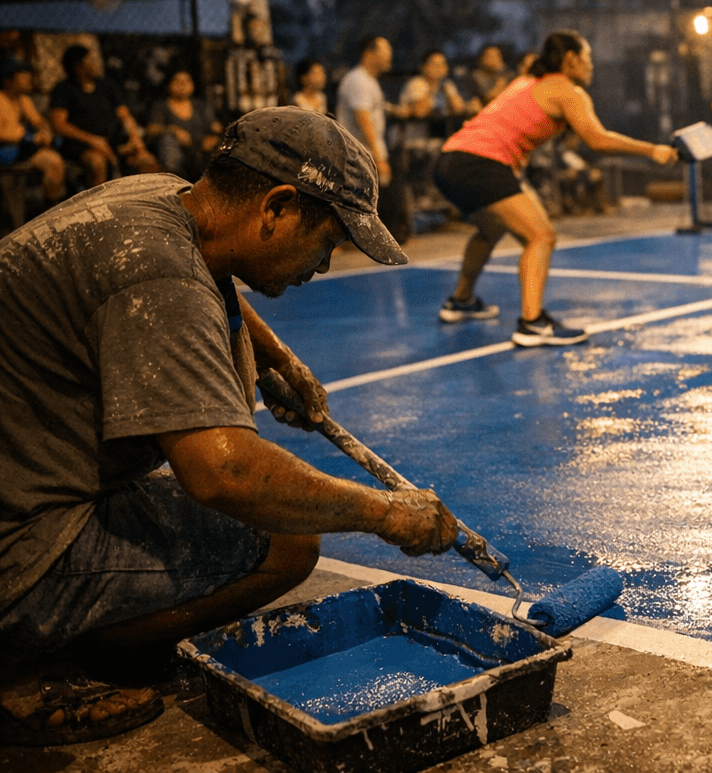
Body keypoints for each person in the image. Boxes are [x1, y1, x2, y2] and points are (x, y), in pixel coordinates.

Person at [0, 108, 456, 746]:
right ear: (276, 207)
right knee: (287, 544)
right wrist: (387, 512)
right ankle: (31, 658)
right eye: (327, 241)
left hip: (21, 475)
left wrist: (274, 357)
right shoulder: (161, 278)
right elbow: (225, 473)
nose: (324, 265)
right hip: (22, 540)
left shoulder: (161, 197)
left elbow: (211, 280)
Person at [432, 30, 677, 345]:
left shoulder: (525, 82)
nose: (591, 66)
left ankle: (461, 300)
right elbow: (597, 140)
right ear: (571, 60)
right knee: (541, 235)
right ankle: (532, 324)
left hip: (449, 161)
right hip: (482, 164)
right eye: (588, 58)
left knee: (490, 227)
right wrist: (652, 150)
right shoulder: (565, 90)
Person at [48, 44, 160, 186]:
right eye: (92, 61)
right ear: (79, 67)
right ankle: (97, 206)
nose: (97, 64)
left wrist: (135, 138)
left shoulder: (107, 86)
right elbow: (59, 124)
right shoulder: (63, 89)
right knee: (97, 162)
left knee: (147, 161)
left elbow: (125, 116)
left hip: (114, 142)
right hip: (82, 146)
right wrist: (92, 140)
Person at [0, 58, 65, 205]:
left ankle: (52, 206)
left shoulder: (23, 99)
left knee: (55, 160)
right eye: (22, 76)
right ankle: (51, 209)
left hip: (19, 149)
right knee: (52, 161)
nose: (28, 79)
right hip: (6, 151)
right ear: (8, 80)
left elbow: (38, 121)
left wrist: (45, 132)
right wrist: (28, 137)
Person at [144, 69, 223, 181]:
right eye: (177, 81)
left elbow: (217, 128)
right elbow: (151, 129)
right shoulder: (161, 106)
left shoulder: (201, 106)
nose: (182, 85)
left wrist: (212, 138)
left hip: (201, 152)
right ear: (168, 85)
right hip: (176, 156)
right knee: (168, 141)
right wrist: (173, 130)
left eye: (187, 81)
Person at [336, 36, 394, 189]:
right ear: (369, 54)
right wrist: (379, 158)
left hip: (366, 154)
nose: (390, 55)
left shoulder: (368, 80)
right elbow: (363, 119)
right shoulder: (358, 80)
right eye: (386, 50)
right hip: (359, 156)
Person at [399, 50, 466, 123]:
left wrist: (447, 92)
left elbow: (459, 109)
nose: (439, 68)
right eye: (434, 64)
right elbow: (419, 112)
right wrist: (433, 88)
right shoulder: (416, 83)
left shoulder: (446, 84)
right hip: (415, 131)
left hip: (440, 129)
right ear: (423, 67)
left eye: (442, 64)